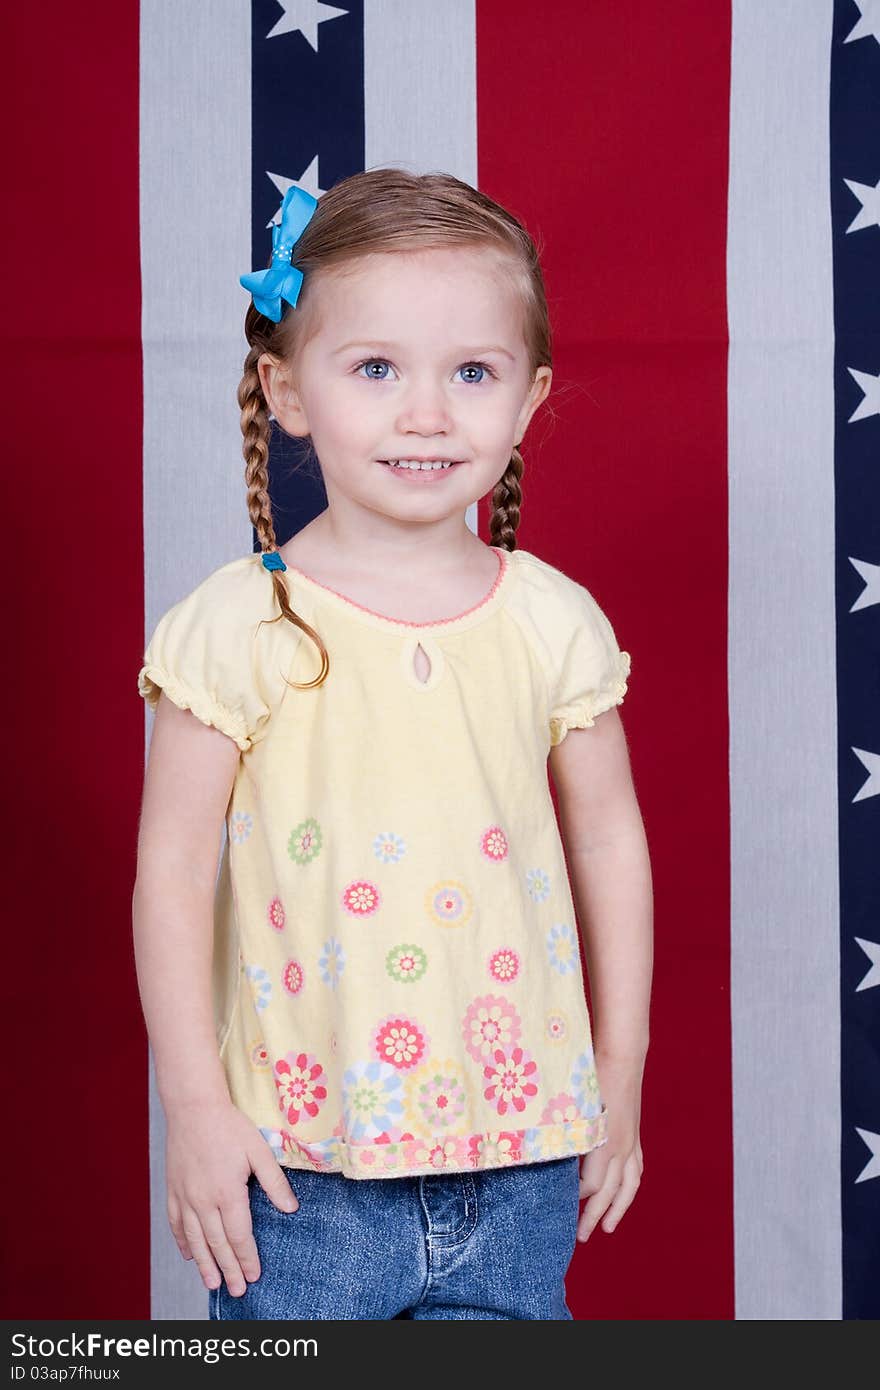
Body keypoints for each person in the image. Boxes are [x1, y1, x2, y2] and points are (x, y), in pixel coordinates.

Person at [133, 168, 653, 1322]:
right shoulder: (236, 622)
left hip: (519, 1161)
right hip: (300, 1169)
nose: (427, 413)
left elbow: (609, 841)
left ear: (527, 401)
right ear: (289, 388)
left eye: (471, 372)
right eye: (376, 369)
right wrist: (198, 1106)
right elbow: (171, 870)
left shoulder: (549, 617)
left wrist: (616, 1073)